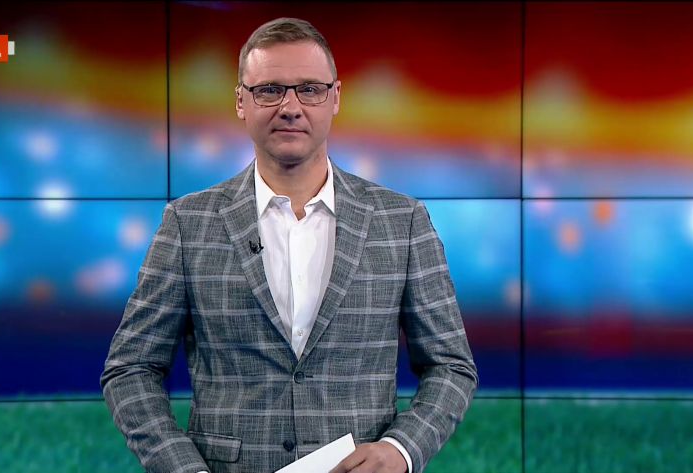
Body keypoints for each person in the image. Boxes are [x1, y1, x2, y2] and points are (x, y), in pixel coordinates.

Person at [101, 17, 478, 473]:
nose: (291, 107)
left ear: (335, 98)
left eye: (310, 89)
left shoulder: (403, 221)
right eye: (270, 90)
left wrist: (400, 450)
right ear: (241, 101)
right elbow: (131, 369)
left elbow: (451, 366)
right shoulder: (187, 223)